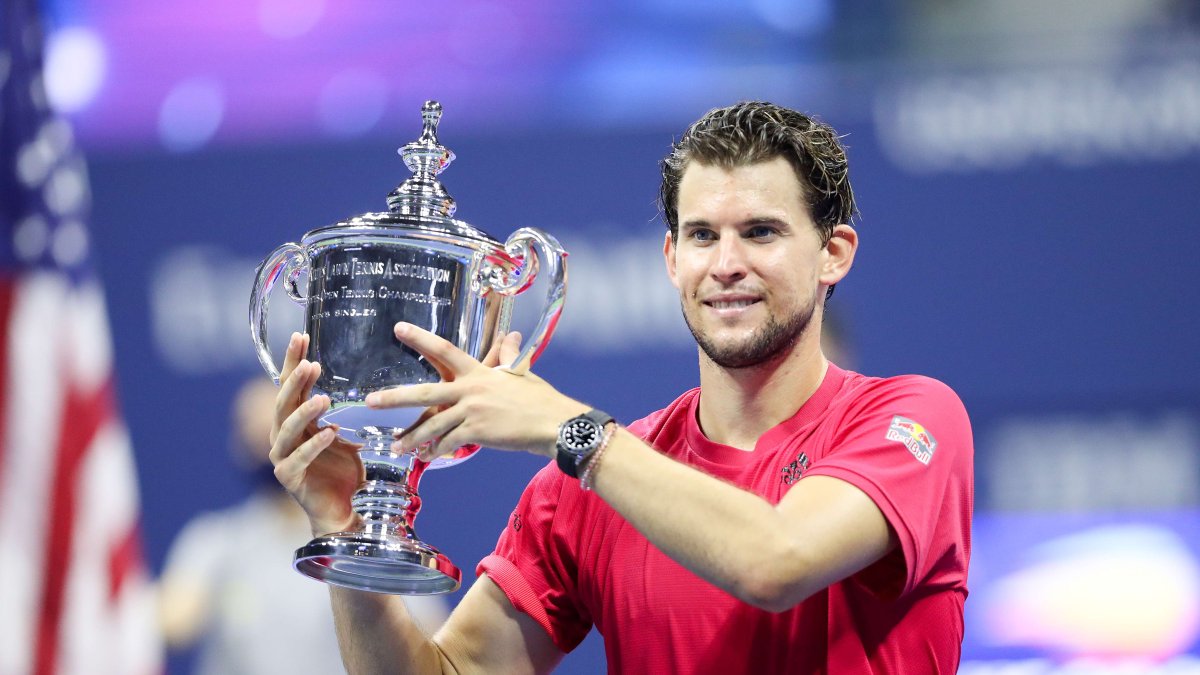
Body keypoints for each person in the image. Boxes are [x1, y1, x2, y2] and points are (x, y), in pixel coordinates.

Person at [269, 101, 973, 674]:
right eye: (702, 236)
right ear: (672, 259)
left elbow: (776, 560)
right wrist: (349, 532)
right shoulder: (586, 484)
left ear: (833, 255)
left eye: (760, 232)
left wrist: (571, 430)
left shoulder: (912, 419)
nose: (726, 264)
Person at [159, 378, 448, 674]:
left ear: (311, 430)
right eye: (250, 427)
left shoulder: (366, 543)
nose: (264, 439)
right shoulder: (214, 540)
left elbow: (431, 645)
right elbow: (173, 621)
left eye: (273, 425)